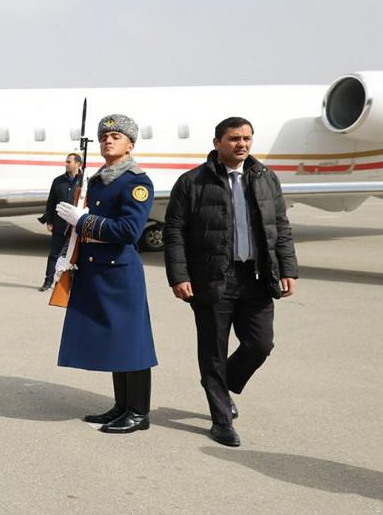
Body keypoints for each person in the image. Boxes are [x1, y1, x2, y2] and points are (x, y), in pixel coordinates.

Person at [163, 116, 298, 448]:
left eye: (247, 138)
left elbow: (280, 226)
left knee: (260, 345)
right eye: (234, 138)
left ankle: (220, 387)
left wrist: (288, 269)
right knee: (213, 352)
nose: (242, 144)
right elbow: (175, 232)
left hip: (256, 277)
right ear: (217, 143)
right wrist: (179, 276)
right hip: (212, 279)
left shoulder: (265, 178)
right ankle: (221, 420)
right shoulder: (192, 182)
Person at [54, 115, 158, 434]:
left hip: (120, 273)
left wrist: (84, 221)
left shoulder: (137, 182)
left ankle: (138, 412)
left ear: (130, 145)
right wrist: (68, 255)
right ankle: (122, 405)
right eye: (104, 137)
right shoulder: (99, 180)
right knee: (116, 342)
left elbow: (129, 230)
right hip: (95, 269)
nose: (108, 141)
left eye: (116, 136)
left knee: (132, 342)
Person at [39, 153, 83, 291]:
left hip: (77, 225)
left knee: (77, 256)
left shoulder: (85, 181)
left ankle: (73, 285)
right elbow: (51, 203)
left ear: (78, 164)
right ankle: (48, 281)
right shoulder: (58, 181)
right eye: (66, 161)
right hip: (60, 224)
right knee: (54, 254)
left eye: (69, 162)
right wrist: (49, 221)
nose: (66, 164)